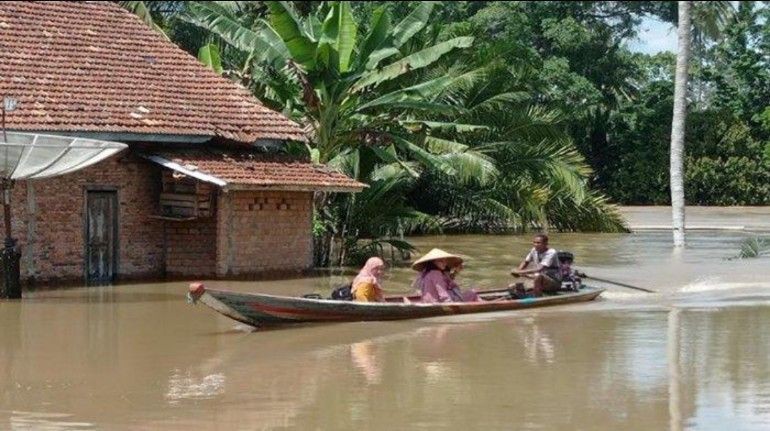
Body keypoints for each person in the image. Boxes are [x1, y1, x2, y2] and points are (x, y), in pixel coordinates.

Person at [412, 248, 480, 303]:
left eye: (445, 260)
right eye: (441, 261)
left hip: (428, 301)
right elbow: (443, 295)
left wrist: (456, 272)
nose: (444, 263)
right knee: (472, 293)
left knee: (470, 293)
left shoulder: (428, 272)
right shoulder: (436, 274)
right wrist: (452, 304)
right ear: (433, 262)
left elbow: (445, 282)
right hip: (437, 303)